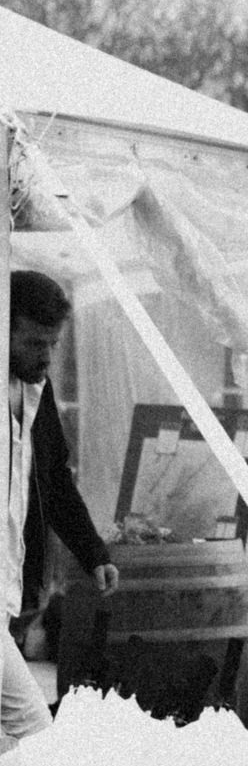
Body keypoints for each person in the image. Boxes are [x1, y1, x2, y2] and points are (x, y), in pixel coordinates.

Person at [4, 270, 118, 740]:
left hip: (11, 589)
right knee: (32, 726)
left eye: (53, 344)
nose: (46, 357)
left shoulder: (36, 390)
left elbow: (54, 480)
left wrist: (93, 552)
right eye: (34, 343)